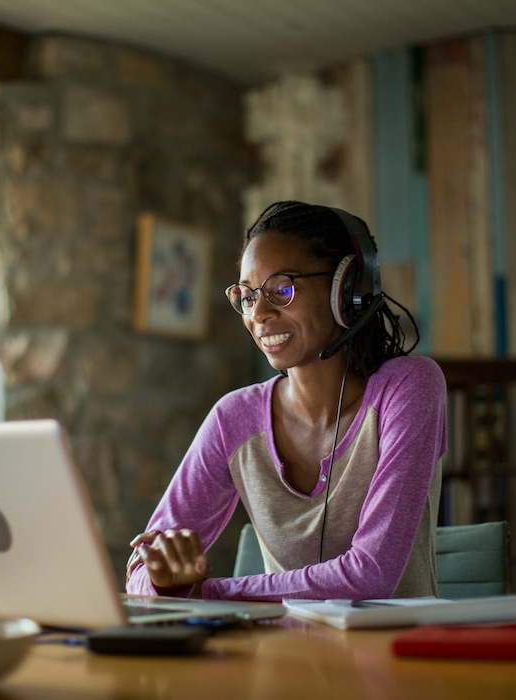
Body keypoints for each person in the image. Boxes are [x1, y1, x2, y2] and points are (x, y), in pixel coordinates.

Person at [126, 201, 446, 602]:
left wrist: (204, 592)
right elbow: (141, 570)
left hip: (395, 658)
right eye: (246, 295)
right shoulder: (233, 418)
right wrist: (160, 580)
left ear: (347, 289)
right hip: (284, 660)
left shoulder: (410, 388)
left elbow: (371, 575)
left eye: (282, 289)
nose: (258, 312)